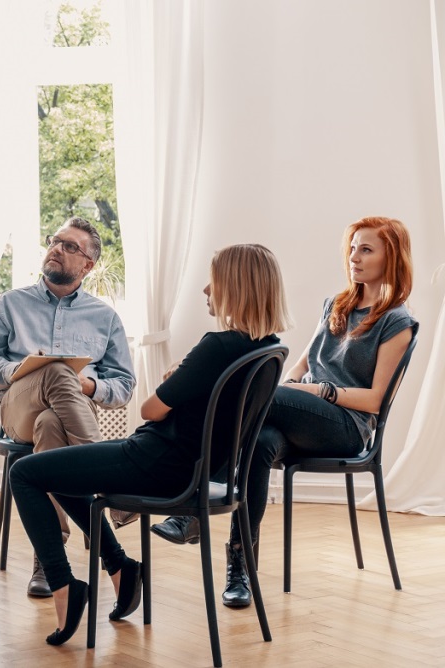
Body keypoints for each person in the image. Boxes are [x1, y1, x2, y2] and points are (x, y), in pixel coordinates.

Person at [10, 243, 291, 646]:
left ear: (235, 286)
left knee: (25, 473)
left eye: (214, 281)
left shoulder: (217, 346)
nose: (207, 290)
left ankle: (64, 586)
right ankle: (121, 568)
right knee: (57, 473)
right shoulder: (269, 349)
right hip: (188, 468)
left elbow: (150, 409)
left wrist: (175, 377)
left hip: (155, 463)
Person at [151, 216, 416, 609]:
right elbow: (298, 367)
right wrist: (294, 385)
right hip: (299, 414)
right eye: (352, 247)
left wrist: (318, 390)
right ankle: (241, 566)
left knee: (246, 391)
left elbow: (375, 400)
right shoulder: (336, 305)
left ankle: (191, 493)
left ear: (390, 257)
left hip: (346, 427)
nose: (353, 257)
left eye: (366, 249)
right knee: (259, 442)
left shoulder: (396, 320)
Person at [0, 216, 136, 597]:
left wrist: (88, 384)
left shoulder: (104, 316)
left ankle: (50, 556)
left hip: (69, 416)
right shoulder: (10, 303)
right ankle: (112, 482)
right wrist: (25, 369)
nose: (57, 249)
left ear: (87, 266)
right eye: (55, 241)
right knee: (55, 371)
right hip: (17, 409)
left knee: (50, 425)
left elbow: (124, 385)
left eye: (70, 246)